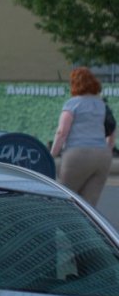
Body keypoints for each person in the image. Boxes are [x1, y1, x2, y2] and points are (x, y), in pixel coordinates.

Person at [50, 67, 114, 206]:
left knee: (65, 199)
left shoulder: (72, 104)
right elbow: (111, 128)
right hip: (102, 156)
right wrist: (108, 149)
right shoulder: (101, 104)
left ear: (74, 83)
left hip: (78, 154)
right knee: (88, 205)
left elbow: (62, 132)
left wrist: (51, 155)